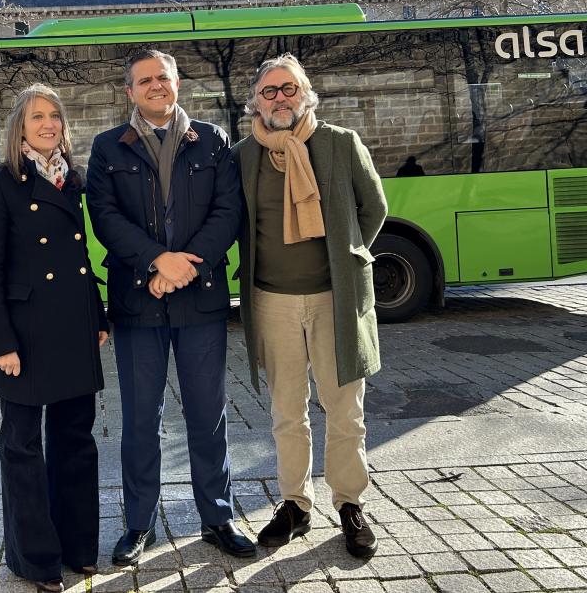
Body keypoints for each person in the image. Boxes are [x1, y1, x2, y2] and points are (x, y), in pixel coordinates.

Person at [86, 48, 254, 566]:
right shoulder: (107, 146)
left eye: (164, 77)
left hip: (200, 300)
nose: (156, 86)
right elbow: (105, 216)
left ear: (177, 83)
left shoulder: (213, 140)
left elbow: (229, 211)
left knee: (209, 415)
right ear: (130, 91)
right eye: (144, 80)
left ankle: (218, 516)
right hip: (138, 304)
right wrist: (157, 262)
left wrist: (188, 264)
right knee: (140, 419)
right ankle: (139, 524)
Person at [232, 53, 388, 559]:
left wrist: (347, 258)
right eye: (269, 91)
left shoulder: (339, 143)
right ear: (255, 101)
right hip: (271, 301)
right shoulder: (243, 155)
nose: (280, 98)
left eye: (289, 88)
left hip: (334, 300)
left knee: (344, 410)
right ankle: (296, 504)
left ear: (306, 93)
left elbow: (374, 207)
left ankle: (350, 504)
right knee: (286, 412)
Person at [0, 84, 109, 593]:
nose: (48, 124)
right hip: (24, 338)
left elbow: (80, 260)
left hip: (73, 326)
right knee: (23, 448)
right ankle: (36, 559)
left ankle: (79, 547)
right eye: (36, 117)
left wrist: (98, 315)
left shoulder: (72, 180)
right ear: (19, 129)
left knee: (76, 441)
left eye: (55, 116)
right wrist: (0, 343)